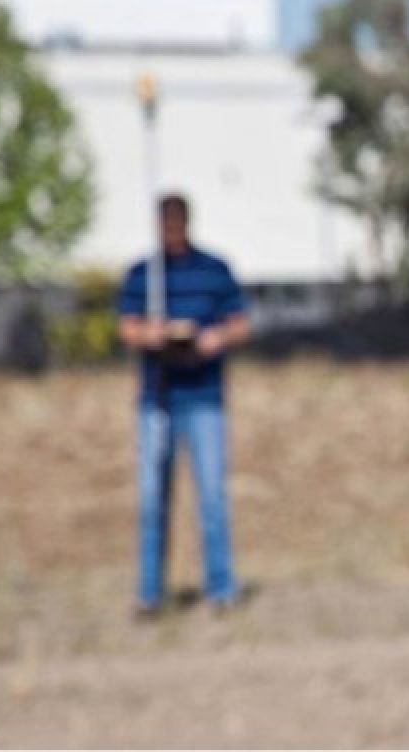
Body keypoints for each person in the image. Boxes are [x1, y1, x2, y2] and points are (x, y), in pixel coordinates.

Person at [116, 193, 250, 617]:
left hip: (204, 397)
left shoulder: (214, 271)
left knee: (211, 496)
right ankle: (150, 594)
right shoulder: (143, 275)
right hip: (158, 398)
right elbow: (128, 329)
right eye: (165, 224)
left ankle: (221, 589)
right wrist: (152, 336)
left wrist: (214, 339)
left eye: (177, 223)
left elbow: (239, 325)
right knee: (152, 497)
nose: (171, 231)